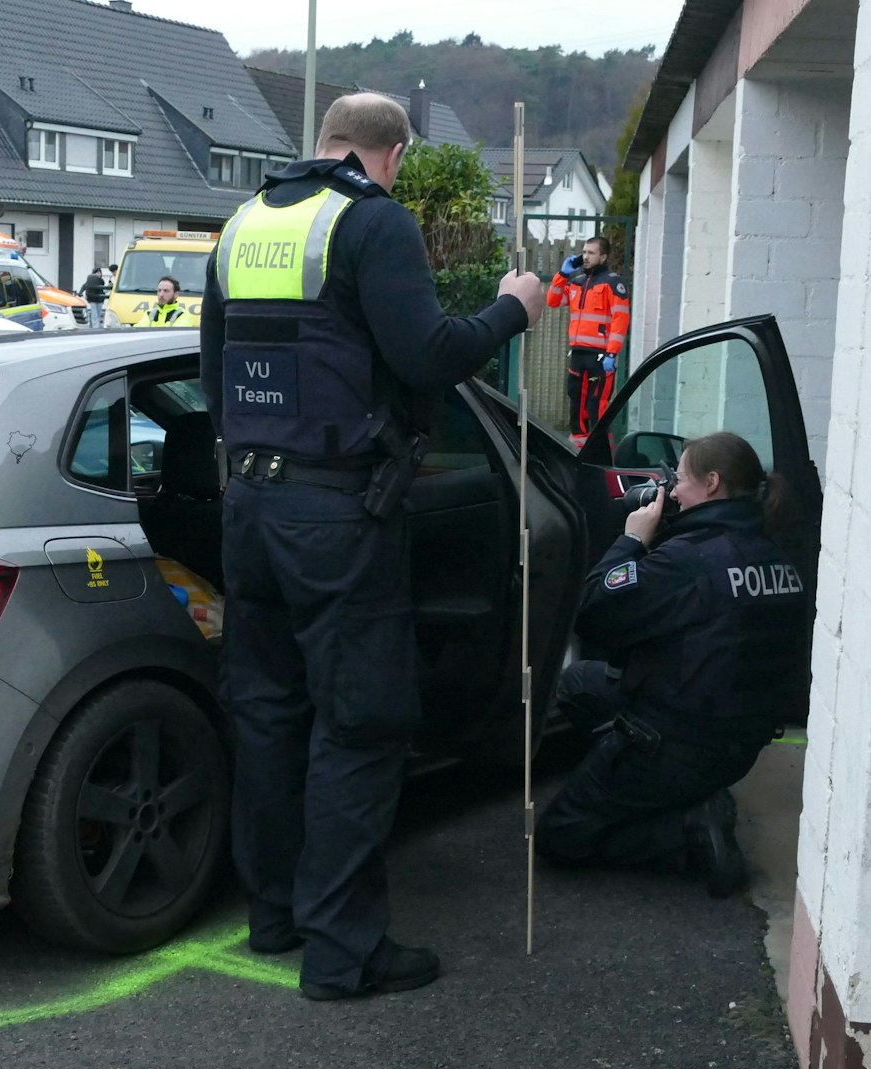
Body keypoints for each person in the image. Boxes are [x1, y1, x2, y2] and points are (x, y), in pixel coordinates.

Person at [200, 92, 543, 1000]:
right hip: (336, 516)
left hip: (251, 509)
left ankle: (271, 914)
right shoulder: (371, 223)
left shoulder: (241, 226)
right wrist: (513, 310)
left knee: (271, 715)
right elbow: (429, 353)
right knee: (358, 725)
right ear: (388, 154)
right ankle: (342, 951)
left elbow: (212, 373)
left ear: (324, 143)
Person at [535, 431, 809, 897]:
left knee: (561, 835)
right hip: (738, 744)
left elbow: (595, 610)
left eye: (680, 479)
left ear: (712, 483)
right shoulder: (776, 556)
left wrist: (632, 541)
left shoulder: (689, 561)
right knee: (580, 683)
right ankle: (660, 794)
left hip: (675, 743)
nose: (672, 490)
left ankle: (687, 833)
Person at [546, 237, 631, 441]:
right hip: (578, 353)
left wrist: (612, 352)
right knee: (576, 403)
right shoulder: (577, 283)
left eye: (591, 253)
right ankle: (578, 449)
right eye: (584, 252)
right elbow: (553, 300)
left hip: (601, 356)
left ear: (603, 256)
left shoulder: (613, 283)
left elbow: (621, 320)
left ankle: (601, 452)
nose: (585, 257)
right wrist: (562, 274)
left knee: (596, 407)